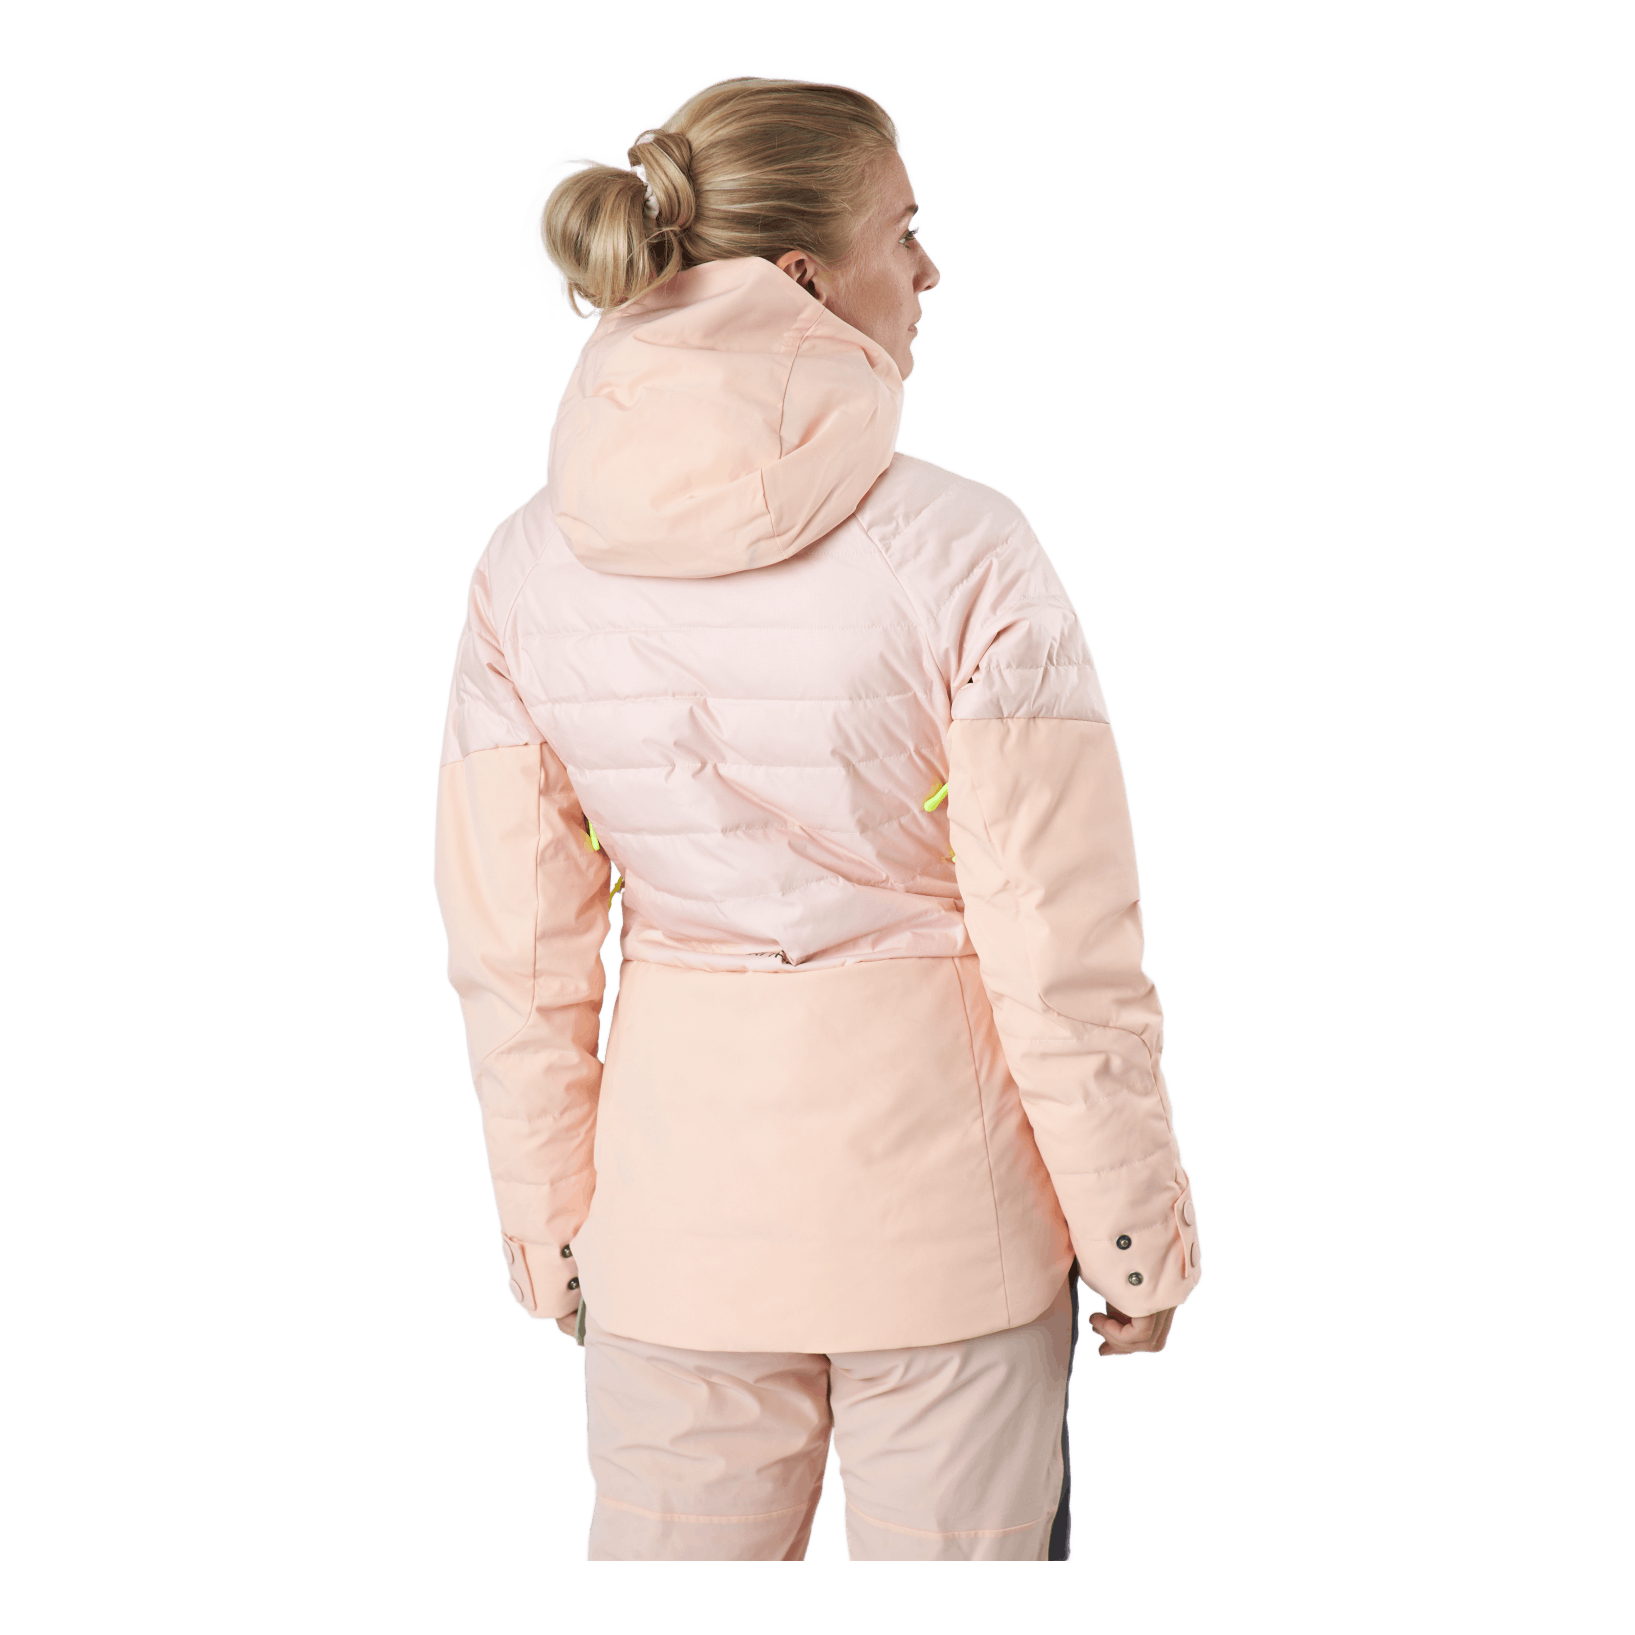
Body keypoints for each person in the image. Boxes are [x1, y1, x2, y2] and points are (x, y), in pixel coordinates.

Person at [433, 73, 1201, 1563]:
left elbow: (513, 953)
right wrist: (1131, 1227)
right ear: (802, 277)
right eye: (903, 231)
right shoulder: (966, 548)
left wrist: (549, 1226)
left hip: (668, 1233)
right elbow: (1060, 942)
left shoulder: (523, 570)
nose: (930, 268)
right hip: (955, 1232)